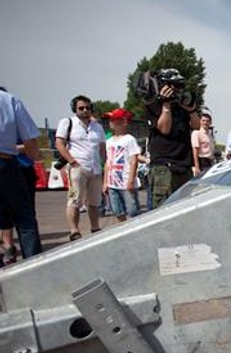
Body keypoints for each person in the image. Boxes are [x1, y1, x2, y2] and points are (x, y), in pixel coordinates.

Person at [0, 87, 43, 266]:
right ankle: (33, 270)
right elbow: (29, 139)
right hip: (5, 163)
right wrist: (35, 157)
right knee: (25, 220)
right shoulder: (9, 100)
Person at [55, 95, 106, 241]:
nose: (84, 110)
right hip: (78, 166)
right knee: (75, 200)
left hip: (95, 168)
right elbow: (59, 143)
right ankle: (74, 230)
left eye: (87, 107)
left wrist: (104, 165)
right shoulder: (68, 122)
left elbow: (102, 148)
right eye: (81, 108)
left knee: (94, 202)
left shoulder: (97, 127)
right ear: (75, 109)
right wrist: (72, 162)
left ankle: (95, 227)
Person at [145, 81, 200, 209]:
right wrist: (166, 103)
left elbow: (196, 126)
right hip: (164, 166)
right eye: (172, 85)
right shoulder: (152, 102)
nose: (176, 89)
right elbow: (164, 129)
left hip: (184, 165)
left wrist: (191, 110)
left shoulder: (181, 103)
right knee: (163, 209)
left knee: (186, 207)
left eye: (180, 86)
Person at [103, 108, 140, 222]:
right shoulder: (109, 141)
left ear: (123, 122)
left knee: (132, 210)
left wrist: (130, 180)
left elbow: (134, 160)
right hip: (112, 182)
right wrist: (105, 182)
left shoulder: (129, 139)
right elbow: (108, 162)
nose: (111, 123)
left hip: (125, 181)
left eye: (114, 120)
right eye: (110, 120)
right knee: (117, 210)